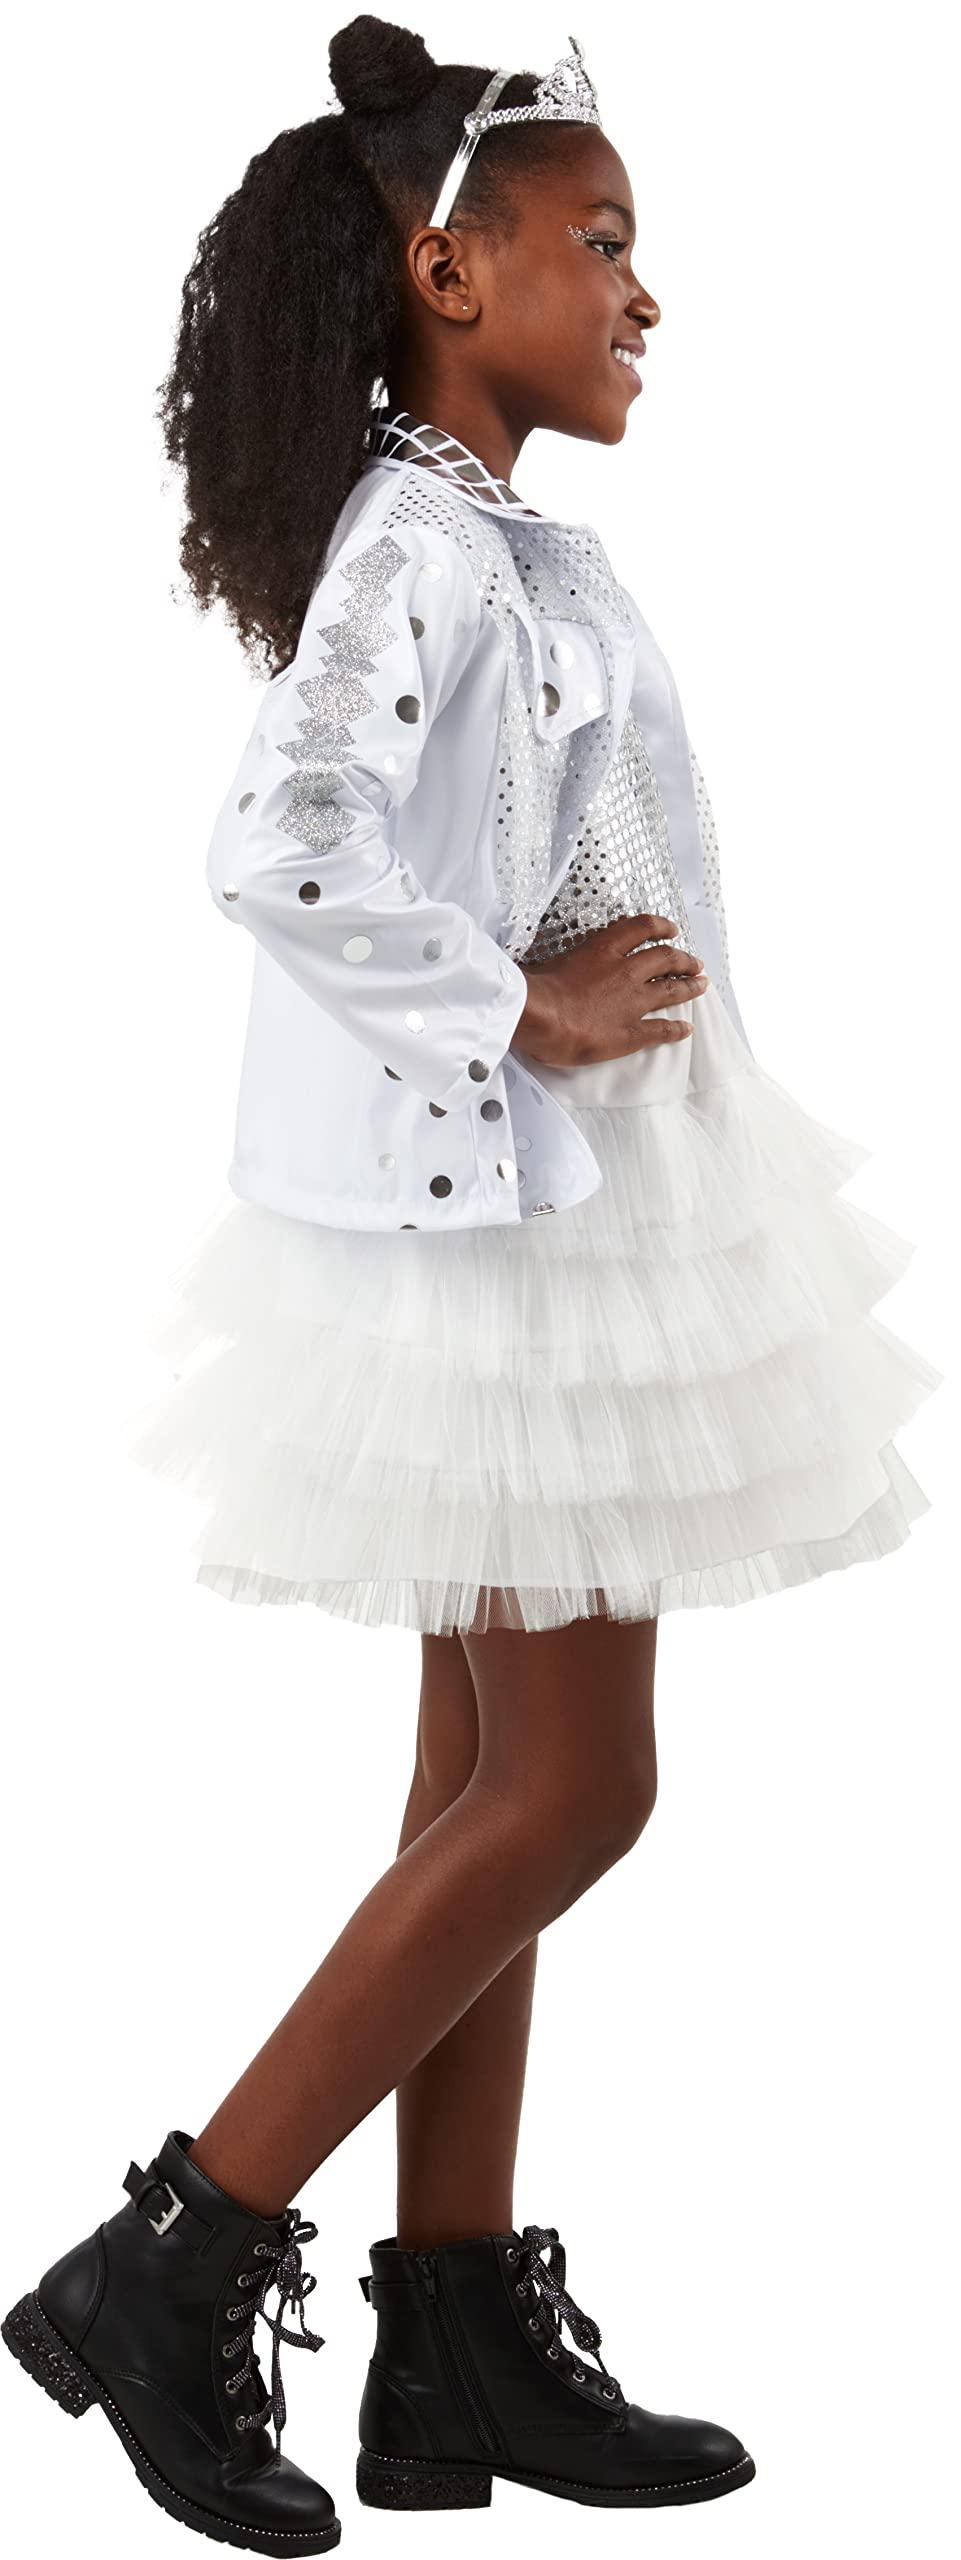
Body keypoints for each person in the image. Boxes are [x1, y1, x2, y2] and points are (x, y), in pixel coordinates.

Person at [2, 20, 941, 2549]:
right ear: (448, 275)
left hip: (549, 1212)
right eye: (599, 241)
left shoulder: (502, 537)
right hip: (509, 1224)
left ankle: (445, 2339)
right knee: (573, 1785)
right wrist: (513, 1001)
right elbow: (276, 833)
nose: (645, 291)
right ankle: (173, 2255)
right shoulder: (424, 547)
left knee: (471, 1788)